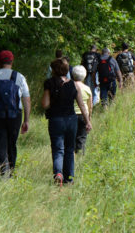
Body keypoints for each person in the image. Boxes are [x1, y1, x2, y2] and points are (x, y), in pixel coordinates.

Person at [0, 50, 31, 177]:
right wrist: (26, 120)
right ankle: (11, 170)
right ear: (12, 61)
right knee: (12, 143)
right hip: (15, 115)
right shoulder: (19, 76)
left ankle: (3, 172)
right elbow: (26, 99)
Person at [41, 58, 92, 186]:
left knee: (58, 149)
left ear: (53, 70)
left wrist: (52, 99)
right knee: (70, 149)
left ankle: (58, 173)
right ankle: (69, 178)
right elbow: (81, 105)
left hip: (56, 119)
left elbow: (45, 104)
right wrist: (87, 121)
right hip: (71, 119)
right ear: (66, 70)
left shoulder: (49, 83)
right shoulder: (73, 84)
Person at [71, 65, 92, 155]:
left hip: (71, 115)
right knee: (82, 137)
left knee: (71, 137)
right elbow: (90, 106)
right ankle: (80, 155)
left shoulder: (69, 87)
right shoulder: (87, 89)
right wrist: (88, 119)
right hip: (83, 116)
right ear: (84, 76)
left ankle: (71, 155)